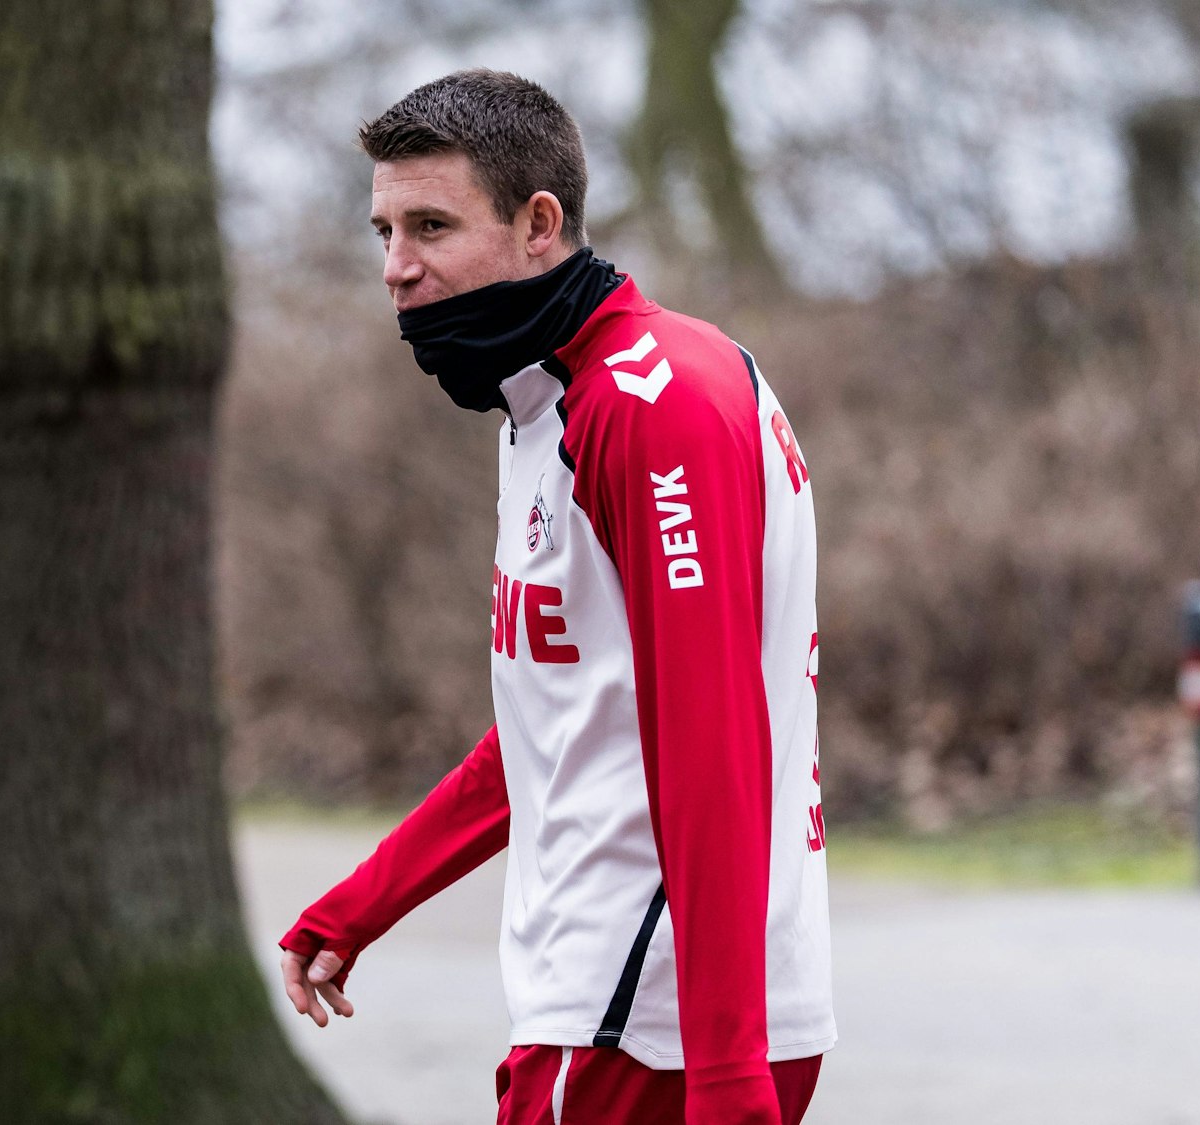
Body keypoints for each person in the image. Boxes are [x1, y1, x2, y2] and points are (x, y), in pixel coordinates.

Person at [276, 70, 834, 1125]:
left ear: (540, 224)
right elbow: (564, 722)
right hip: (638, 1010)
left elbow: (709, 740)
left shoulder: (645, 405)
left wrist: (723, 1071)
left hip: (647, 1018)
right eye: (382, 232)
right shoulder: (547, 399)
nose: (396, 270)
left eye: (431, 226)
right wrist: (366, 902)